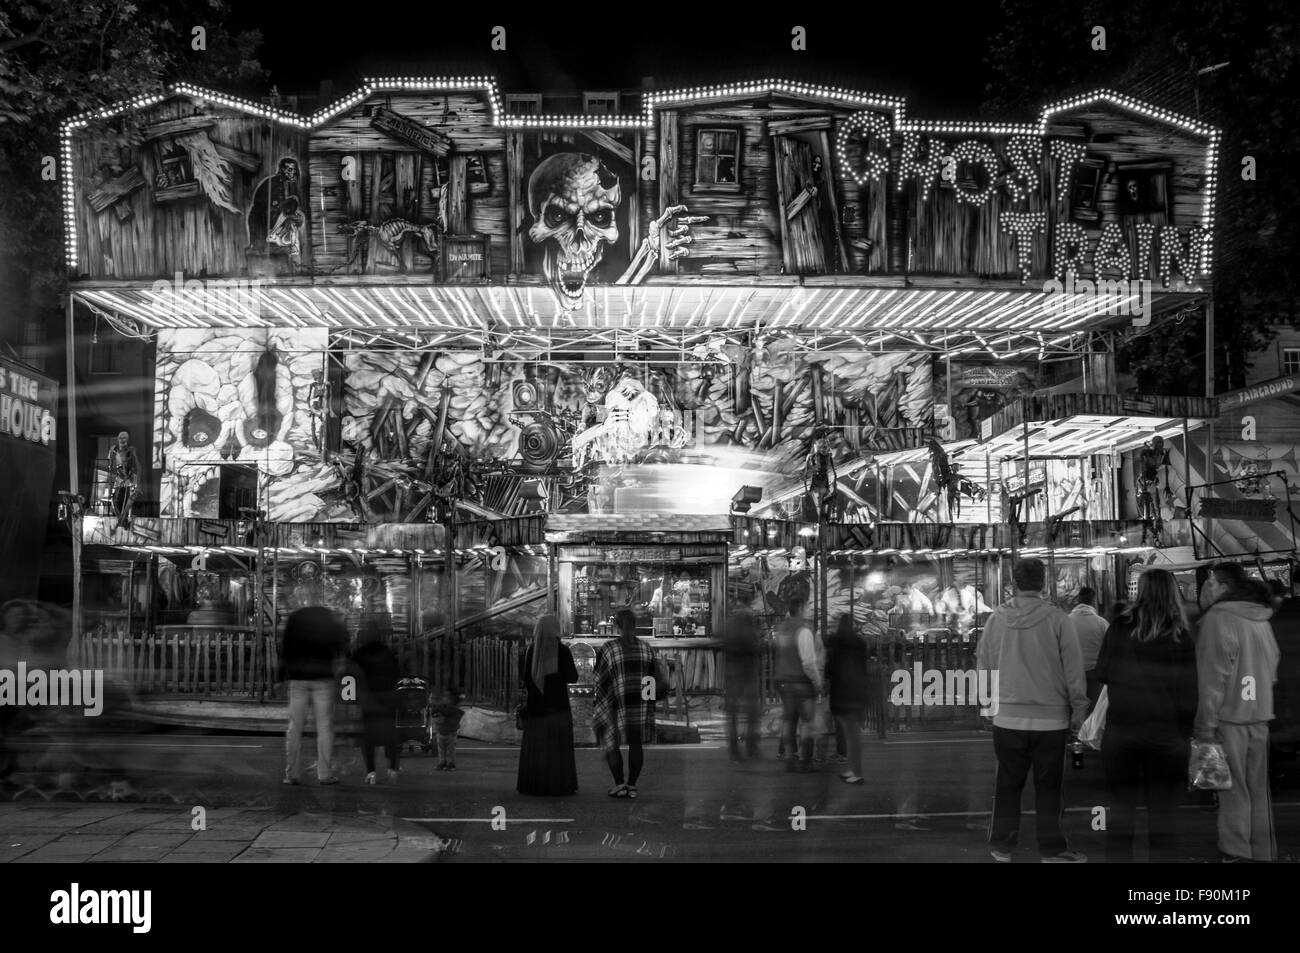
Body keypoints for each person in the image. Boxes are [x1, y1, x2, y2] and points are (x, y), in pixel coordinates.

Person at [976, 557, 1089, 863]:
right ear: (1043, 583)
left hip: (1007, 717)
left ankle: (1002, 846)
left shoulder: (996, 619)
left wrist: (987, 704)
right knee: (1049, 787)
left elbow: (983, 664)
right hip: (1051, 720)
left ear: (1014, 582)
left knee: (1008, 784)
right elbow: (1073, 670)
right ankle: (1051, 849)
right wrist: (1079, 708)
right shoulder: (1058, 619)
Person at [1093, 569, 1197, 862]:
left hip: (1123, 731)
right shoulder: (1181, 634)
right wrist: (1186, 732)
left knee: (1121, 810)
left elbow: (1102, 671)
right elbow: (1190, 691)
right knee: (1163, 814)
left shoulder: (1120, 626)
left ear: (1142, 591)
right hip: (1167, 734)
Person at [1194, 563, 1280, 862]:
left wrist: (1205, 725)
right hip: (1260, 716)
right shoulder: (1261, 618)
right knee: (1258, 789)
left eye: (1211, 584)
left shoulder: (1218, 619)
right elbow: (1271, 667)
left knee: (1231, 790)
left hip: (1228, 718)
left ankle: (1236, 850)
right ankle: (1261, 850)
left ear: (1224, 586)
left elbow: (1213, 677)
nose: (1207, 589)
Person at [281, 584, 349, 785]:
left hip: (298, 677)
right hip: (322, 677)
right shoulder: (329, 616)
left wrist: (281, 676)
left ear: (303, 598)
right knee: (325, 727)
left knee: (295, 727)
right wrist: (339, 662)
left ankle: (291, 774)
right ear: (320, 598)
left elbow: (285, 648)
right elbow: (341, 641)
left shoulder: (294, 618)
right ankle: (324, 774)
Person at [593, 608, 661, 798]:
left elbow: (599, 679)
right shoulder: (646, 648)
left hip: (614, 704)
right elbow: (652, 680)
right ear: (635, 626)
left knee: (611, 743)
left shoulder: (608, 648)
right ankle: (632, 785)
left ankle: (619, 784)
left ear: (617, 626)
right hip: (640, 704)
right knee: (636, 744)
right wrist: (648, 706)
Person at [517, 614, 579, 796]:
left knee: (537, 750)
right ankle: (559, 785)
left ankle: (535, 785)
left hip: (536, 709)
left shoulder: (531, 651)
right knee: (558, 750)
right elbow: (573, 677)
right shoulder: (563, 651)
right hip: (559, 709)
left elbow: (526, 679)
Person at [773, 596, 824, 773]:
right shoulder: (804, 631)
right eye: (807, 607)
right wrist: (817, 682)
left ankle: (789, 756)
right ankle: (806, 760)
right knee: (807, 721)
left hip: (784, 682)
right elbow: (809, 662)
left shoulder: (782, 630)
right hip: (801, 682)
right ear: (801, 608)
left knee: (789, 720)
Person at [350, 618, 401, 785]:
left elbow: (351, 676)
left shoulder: (358, 654)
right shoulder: (387, 653)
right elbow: (396, 674)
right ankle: (392, 768)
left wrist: (352, 698)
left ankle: (371, 772)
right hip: (387, 698)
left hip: (368, 699)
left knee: (368, 738)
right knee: (390, 735)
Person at [826, 614, 869, 784]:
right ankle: (853, 769)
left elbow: (829, 671)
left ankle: (857, 773)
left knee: (851, 735)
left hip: (841, 693)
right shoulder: (859, 644)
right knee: (852, 734)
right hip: (856, 692)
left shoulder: (835, 645)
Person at [723, 608, 762, 761]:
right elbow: (756, 647)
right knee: (751, 712)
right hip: (748, 674)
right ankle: (751, 746)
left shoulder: (730, 629)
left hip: (732, 673)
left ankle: (733, 747)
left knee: (732, 713)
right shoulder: (750, 631)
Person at [1069, 587, 1110, 715]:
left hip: (1072, 675)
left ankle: (1075, 733)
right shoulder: (1102, 623)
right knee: (1094, 712)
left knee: (1074, 711)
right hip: (1095, 675)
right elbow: (1108, 651)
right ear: (1093, 601)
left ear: (1078, 600)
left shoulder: (1065, 621)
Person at [432, 688, 465, 771]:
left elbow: (456, 715)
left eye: (447, 697)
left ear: (452, 699)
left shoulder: (454, 710)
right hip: (441, 732)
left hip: (450, 733)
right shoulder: (441, 707)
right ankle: (442, 762)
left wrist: (443, 716)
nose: (445, 699)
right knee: (441, 750)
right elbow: (434, 712)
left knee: (451, 751)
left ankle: (451, 764)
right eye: (444, 697)